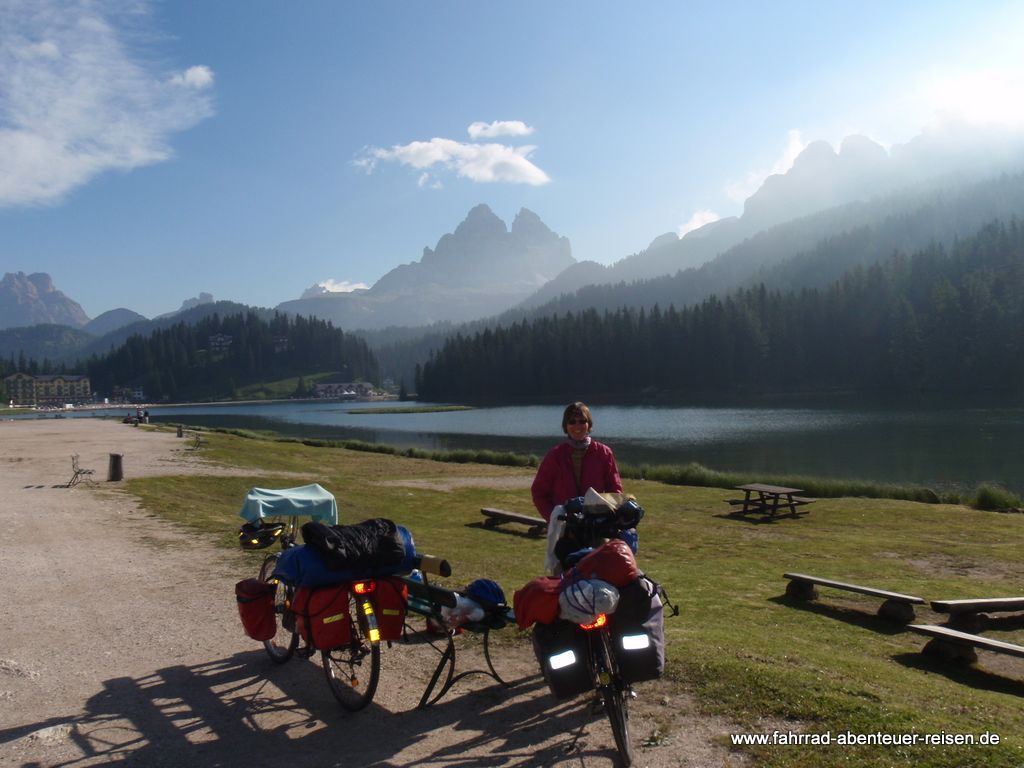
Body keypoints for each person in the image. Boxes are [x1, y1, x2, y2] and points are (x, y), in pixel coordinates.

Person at [531, 401, 622, 523]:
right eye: (572, 422)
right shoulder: (555, 456)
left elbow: (615, 490)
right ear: (565, 426)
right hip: (565, 526)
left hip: (597, 524)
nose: (577, 426)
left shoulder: (604, 453)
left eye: (582, 421)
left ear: (589, 424)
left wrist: (607, 516)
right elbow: (539, 492)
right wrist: (554, 517)